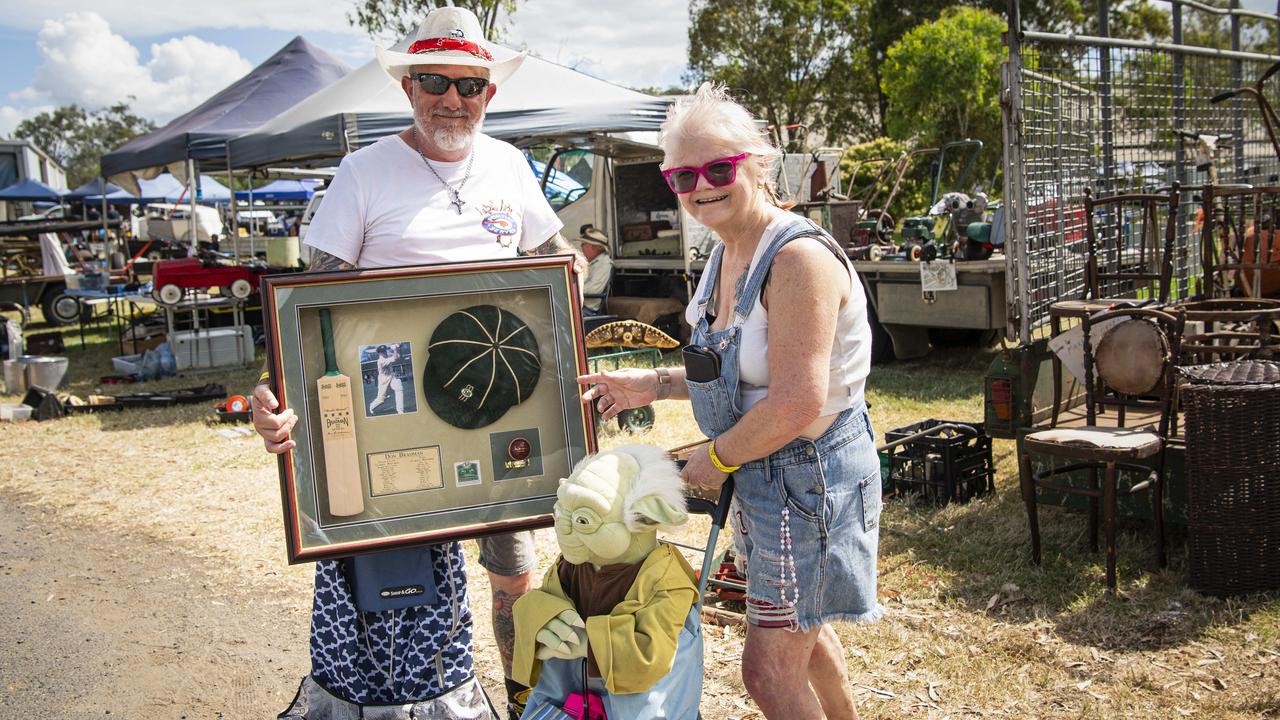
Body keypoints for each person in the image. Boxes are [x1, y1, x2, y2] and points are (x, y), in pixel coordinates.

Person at [250, 8, 586, 719]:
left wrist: (569, 283)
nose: (452, 98)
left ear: (489, 95)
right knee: (397, 582)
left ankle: (519, 701)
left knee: (513, 577)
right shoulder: (363, 171)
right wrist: (277, 397)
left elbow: (554, 264)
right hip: (390, 411)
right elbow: (308, 307)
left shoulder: (509, 165)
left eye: (469, 85)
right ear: (408, 86)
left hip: (503, 404)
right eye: (434, 80)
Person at [578, 83, 883, 720]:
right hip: (766, 470)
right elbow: (736, 376)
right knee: (806, 626)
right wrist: (653, 384)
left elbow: (798, 403)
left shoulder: (796, 258)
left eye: (720, 168)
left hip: (809, 480)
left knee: (768, 677)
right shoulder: (724, 251)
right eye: (682, 174)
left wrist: (712, 460)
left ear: (759, 164)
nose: (701, 186)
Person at [578, 225, 613, 313]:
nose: (581, 247)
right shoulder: (592, 262)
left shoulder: (604, 263)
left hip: (587, 309)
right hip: (580, 306)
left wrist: (570, 289)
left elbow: (593, 289)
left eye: (583, 244)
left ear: (593, 247)